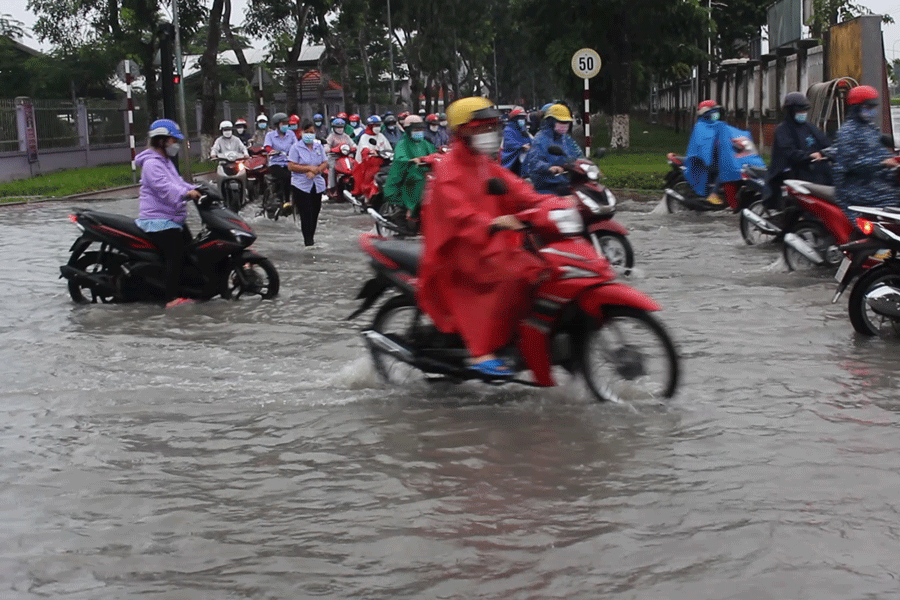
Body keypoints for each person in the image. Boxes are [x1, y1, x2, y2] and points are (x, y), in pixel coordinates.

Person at [418, 97, 555, 377]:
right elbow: (460, 215)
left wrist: (550, 204)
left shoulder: (482, 162)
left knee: (541, 269)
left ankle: (514, 337)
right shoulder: (447, 169)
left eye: (491, 127)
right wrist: (493, 222)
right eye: (480, 128)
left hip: (488, 241)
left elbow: (515, 187)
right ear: (462, 132)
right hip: (460, 249)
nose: (488, 134)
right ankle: (481, 351)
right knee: (513, 274)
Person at [134, 119, 201, 308]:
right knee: (176, 255)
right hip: (158, 220)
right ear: (162, 140)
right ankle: (171, 298)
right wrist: (186, 193)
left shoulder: (165, 161)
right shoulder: (151, 164)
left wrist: (198, 188)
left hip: (173, 219)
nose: (175, 144)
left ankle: (189, 288)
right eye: (173, 140)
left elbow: (178, 182)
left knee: (191, 250)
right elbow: (165, 188)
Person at [833, 85, 900, 222]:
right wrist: (882, 163)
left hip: (875, 179)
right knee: (893, 198)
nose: (871, 111)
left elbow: (883, 140)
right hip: (856, 186)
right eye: (867, 108)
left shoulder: (869, 127)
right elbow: (851, 164)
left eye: (873, 107)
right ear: (856, 107)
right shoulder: (847, 132)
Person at [767, 91, 832, 208]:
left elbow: (825, 142)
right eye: (799, 111)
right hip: (792, 171)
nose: (803, 113)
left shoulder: (810, 127)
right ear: (791, 111)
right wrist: (809, 156)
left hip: (813, 169)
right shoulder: (783, 130)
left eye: (804, 111)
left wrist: (827, 152)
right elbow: (789, 152)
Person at [383, 115, 436, 222]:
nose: (419, 132)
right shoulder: (403, 144)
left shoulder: (425, 143)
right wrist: (411, 160)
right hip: (408, 173)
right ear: (408, 130)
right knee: (417, 180)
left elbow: (433, 154)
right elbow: (400, 158)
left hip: (424, 172)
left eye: (421, 129)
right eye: (416, 130)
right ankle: (411, 210)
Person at [523, 103, 584, 194]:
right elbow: (534, 162)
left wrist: (584, 163)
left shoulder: (566, 138)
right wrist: (549, 168)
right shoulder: (540, 139)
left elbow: (578, 153)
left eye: (566, 122)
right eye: (561, 122)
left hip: (567, 183)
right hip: (547, 186)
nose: (565, 125)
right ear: (552, 122)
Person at [288, 120, 328, 246]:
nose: (309, 135)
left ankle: (311, 238)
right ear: (301, 133)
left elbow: (325, 162)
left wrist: (316, 171)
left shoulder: (318, 146)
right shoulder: (296, 147)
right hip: (301, 185)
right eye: (307, 132)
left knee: (315, 212)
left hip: (317, 185)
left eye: (311, 132)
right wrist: (308, 168)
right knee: (306, 213)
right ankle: (308, 241)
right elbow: (291, 166)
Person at [352, 115, 392, 199]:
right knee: (371, 173)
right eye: (375, 125)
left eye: (379, 125)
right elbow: (364, 149)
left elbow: (388, 148)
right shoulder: (364, 137)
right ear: (370, 126)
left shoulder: (381, 136)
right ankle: (367, 195)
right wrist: (370, 151)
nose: (378, 127)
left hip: (381, 161)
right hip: (366, 163)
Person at [264, 112, 295, 211]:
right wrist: (272, 152)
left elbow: (296, 146)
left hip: (289, 162)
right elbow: (267, 147)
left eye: (287, 123)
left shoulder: (291, 134)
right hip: (276, 163)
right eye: (283, 123)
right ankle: (285, 200)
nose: (285, 126)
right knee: (286, 177)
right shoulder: (270, 135)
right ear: (277, 125)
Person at [325, 116, 356, 199]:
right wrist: (331, 149)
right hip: (334, 157)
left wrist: (354, 148)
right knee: (332, 168)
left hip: (346, 156)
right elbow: (326, 146)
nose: (340, 129)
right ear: (334, 128)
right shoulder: (331, 136)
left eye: (341, 127)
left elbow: (353, 145)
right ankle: (331, 187)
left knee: (354, 165)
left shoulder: (346, 136)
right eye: (338, 127)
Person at [500, 108, 531, 176]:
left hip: (524, 160)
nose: (522, 120)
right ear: (515, 118)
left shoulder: (523, 130)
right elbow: (509, 143)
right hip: (512, 159)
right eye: (520, 118)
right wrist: (521, 146)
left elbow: (530, 139)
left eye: (523, 118)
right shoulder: (508, 130)